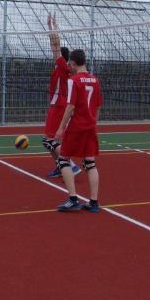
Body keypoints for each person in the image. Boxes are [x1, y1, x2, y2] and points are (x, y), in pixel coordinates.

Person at [54, 48, 103, 212]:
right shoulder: (95, 80)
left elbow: (70, 107)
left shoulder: (73, 80)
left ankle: (73, 198)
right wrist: (93, 121)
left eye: (70, 64)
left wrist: (61, 128)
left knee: (63, 159)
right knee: (90, 163)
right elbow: (98, 107)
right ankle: (94, 202)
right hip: (90, 125)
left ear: (73, 63)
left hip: (77, 126)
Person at [42, 13, 80, 178]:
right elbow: (55, 47)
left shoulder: (63, 67)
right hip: (56, 106)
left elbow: (55, 46)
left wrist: (53, 28)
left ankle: (69, 164)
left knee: (49, 140)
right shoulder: (60, 67)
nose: (53, 54)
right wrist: (52, 28)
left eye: (57, 54)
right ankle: (60, 165)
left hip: (59, 107)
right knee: (50, 141)